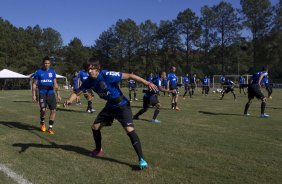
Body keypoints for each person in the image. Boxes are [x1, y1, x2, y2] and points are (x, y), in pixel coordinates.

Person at [64, 57, 158, 169]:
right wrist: (70, 100)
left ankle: (141, 159)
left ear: (97, 69)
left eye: (91, 69)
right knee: (95, 127)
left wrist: (147, 83)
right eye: (87, 69)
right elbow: (77, 91)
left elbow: (129, 76)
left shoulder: (106, 74)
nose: (89, 71)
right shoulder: (89, 81)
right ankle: (98, 149)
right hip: (110, 106)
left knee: (129, 130)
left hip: (122, 105)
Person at [32, 56, 61, 134]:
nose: (47, 64)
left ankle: (50, 128)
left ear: (50, 64)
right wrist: (34, 95)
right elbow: (34, 84)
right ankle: (42, 122)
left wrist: (58, 94)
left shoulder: (52, 72)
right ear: (43, 63)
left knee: (53, 110)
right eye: (45, 63)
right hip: (42, 94)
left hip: (51, 94)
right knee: (43, 110)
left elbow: (55, 83)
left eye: (48, 63)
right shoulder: (38, 72)